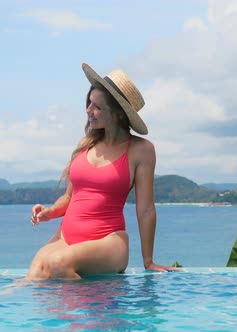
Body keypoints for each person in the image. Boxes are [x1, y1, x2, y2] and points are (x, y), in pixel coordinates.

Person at [26, 63, 178, 280]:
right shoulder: (84, 145)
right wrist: (50, 212)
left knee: (57, 265)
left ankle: (91, 309)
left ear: (117, 114)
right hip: (66, 237)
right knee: (34, 274)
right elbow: (70, 197)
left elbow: (145, 210)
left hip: (109, 241)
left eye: (97, 106)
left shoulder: (141, 150)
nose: (89, 110)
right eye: (89, 103)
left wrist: (148, 261)